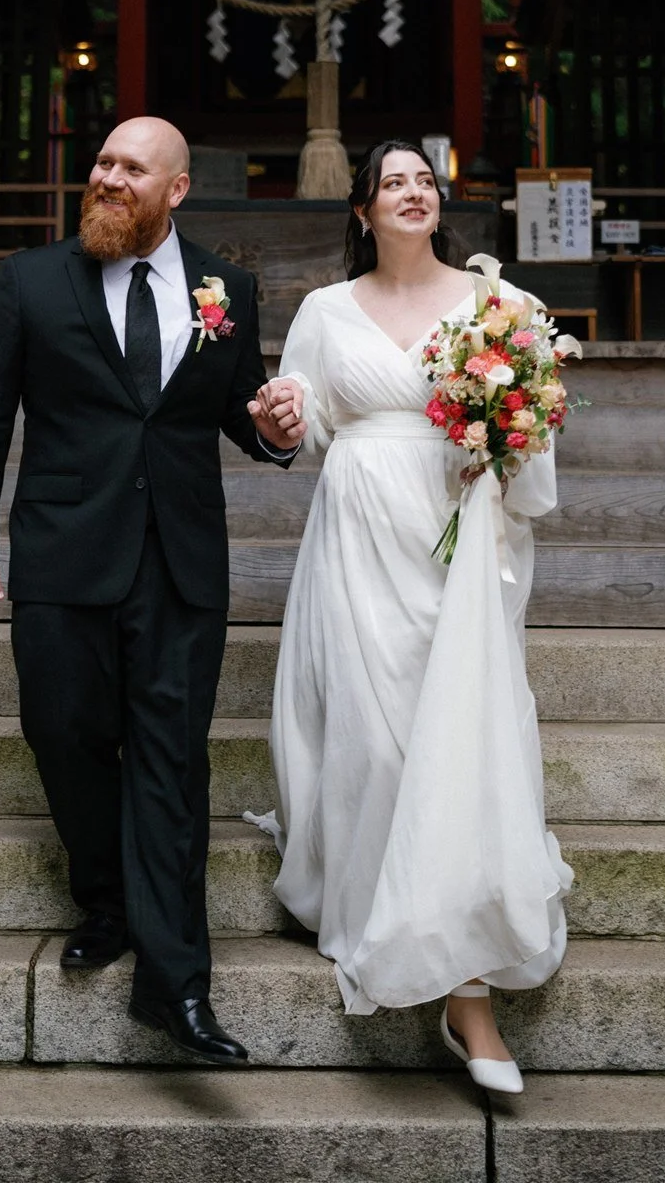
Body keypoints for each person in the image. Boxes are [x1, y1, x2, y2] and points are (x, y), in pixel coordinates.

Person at [0, 115, 306, 1066]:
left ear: (175, 189)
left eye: (129, 168)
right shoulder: (31, 281)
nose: (107, 178)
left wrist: (275, 426)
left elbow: (243, 421)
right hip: (66, 552)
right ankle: (105, 896)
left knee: (170, 761)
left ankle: (176, 987)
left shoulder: (228, 289)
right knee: (62, 733)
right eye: (102, 162)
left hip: (181, 563)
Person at [250, 137, 572, 1095]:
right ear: (362, 210)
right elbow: (300, 423)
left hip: (456, 538)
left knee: (455, 740)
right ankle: (388, 915)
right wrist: (276, 419)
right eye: (392, 182)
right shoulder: (321, 310)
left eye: (424, 181)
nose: (411, 192)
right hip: (356, 541)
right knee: (381, 743)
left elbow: (532, 431)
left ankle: (466, 988)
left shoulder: (499, 307)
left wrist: (500, 448)